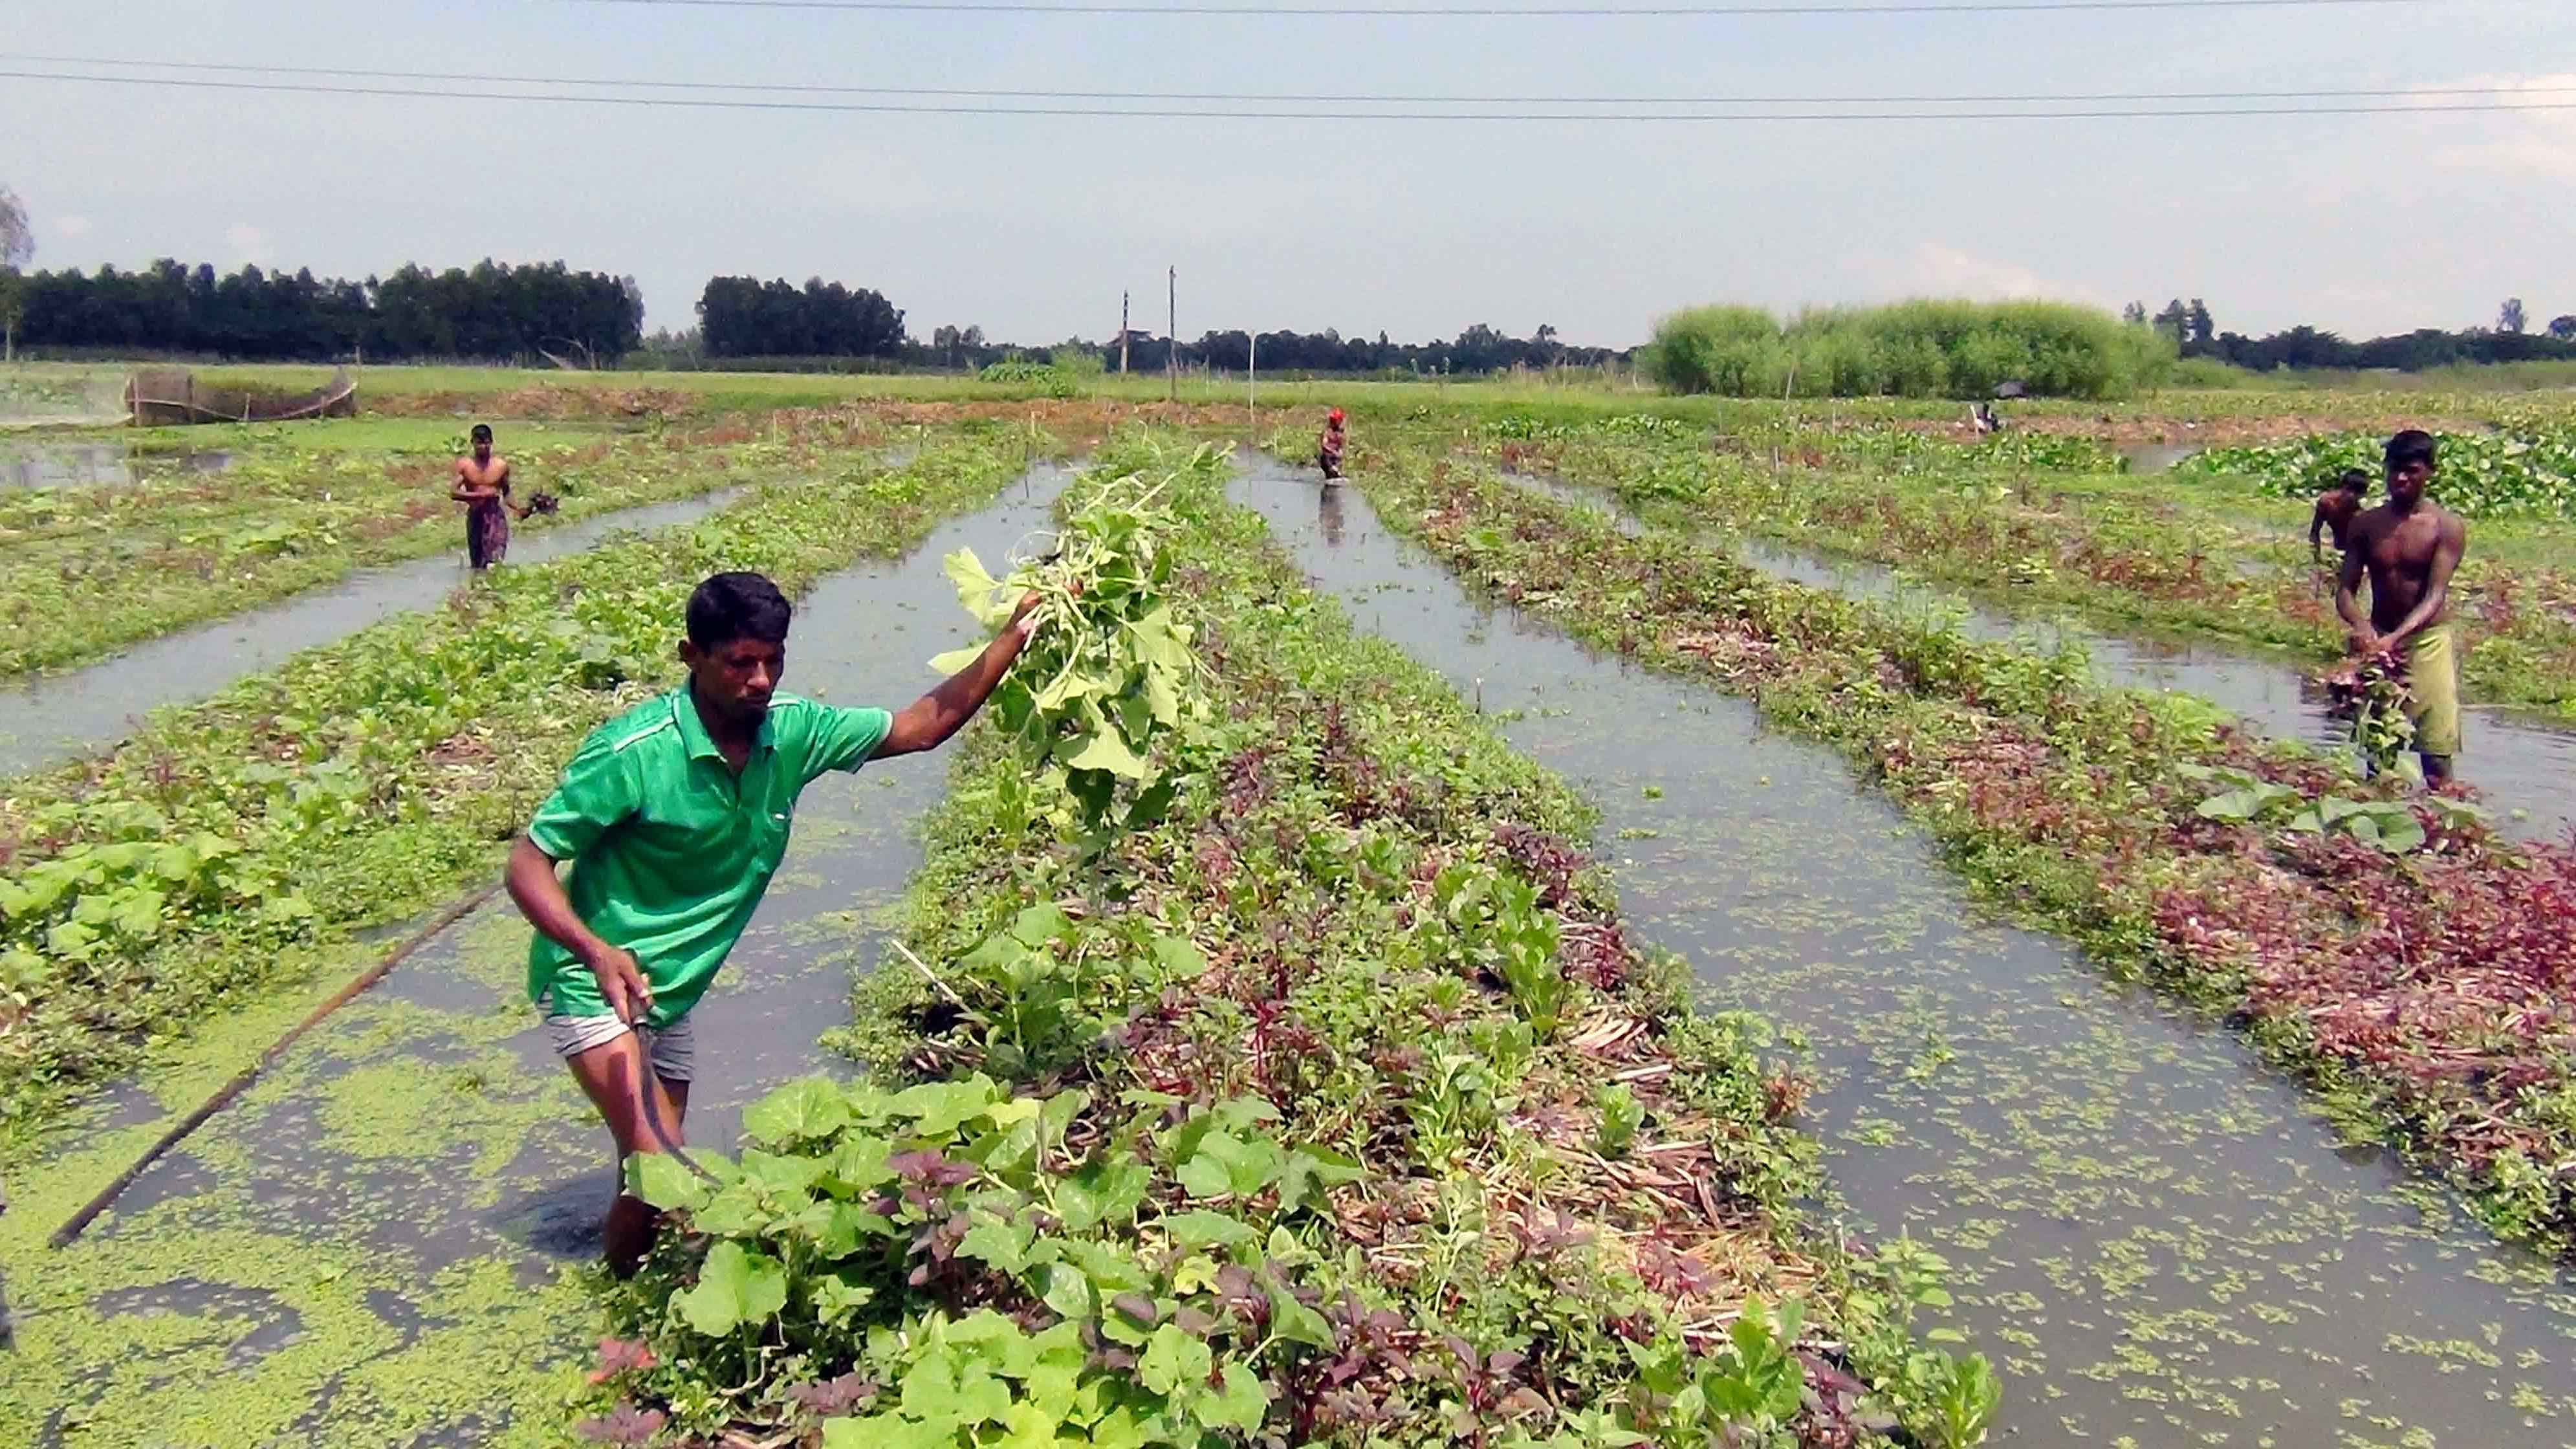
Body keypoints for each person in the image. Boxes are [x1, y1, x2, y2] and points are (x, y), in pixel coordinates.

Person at [504, 570, 1046, 1275]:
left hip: (670, 992)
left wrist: (1014, 638)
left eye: (773, 659)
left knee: (652, 1160)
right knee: (658, 1166)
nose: (760, 680)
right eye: (739, 663)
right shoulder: (633, 754)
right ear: (690, 656)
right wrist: (595, 949)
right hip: (594, 982)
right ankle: (629, 1324)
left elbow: (922, 728)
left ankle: (632, 1287)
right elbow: (526, 864)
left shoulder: (791, 732)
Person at [2335, 430, 2467, 785]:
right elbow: (2346, 590)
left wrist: (2394, 638)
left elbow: (2435, 595)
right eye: (2394, 469)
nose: (2400, 479)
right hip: (2378, 639)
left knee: (2436, 751)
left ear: (2430, 472)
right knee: (2378, 746)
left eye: (2410, 470)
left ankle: (2444, 830)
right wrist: (2363, 628)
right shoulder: (2366, 524)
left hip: (2427, 641)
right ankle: (2379, 826)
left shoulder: (2446, 527)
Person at [451, 423, 530, 571]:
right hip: (476, 516)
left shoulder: (501, 466)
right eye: (479, 443)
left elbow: (506, 492)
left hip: (495, 517)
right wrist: (479, 495)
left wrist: (518, 509)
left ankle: (493, 591)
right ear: (472, 443)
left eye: (486, 442)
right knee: (478, 564)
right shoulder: (465, 466)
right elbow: (454, 493)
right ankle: (478, 591)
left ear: (491, 442)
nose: (483, 447)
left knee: (495, 561)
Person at [2309, 466, 2372, 565]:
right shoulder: (2327, 503)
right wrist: (2317, 559)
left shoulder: (2359, 512)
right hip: (2339, 547)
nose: (2352, 497)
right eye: (2350, 492)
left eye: (2357, 495)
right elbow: (2315, 531)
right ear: (2344, 488)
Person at [1318, 408, 1348, 481]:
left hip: (1336, 458)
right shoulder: (1327, 432)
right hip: (1327, 457)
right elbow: (1324, 445)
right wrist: (1334, 452)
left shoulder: (1341, 433)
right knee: (1332, 472)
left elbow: (1341, 445)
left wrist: (1340, 451)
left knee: (1336, 476)